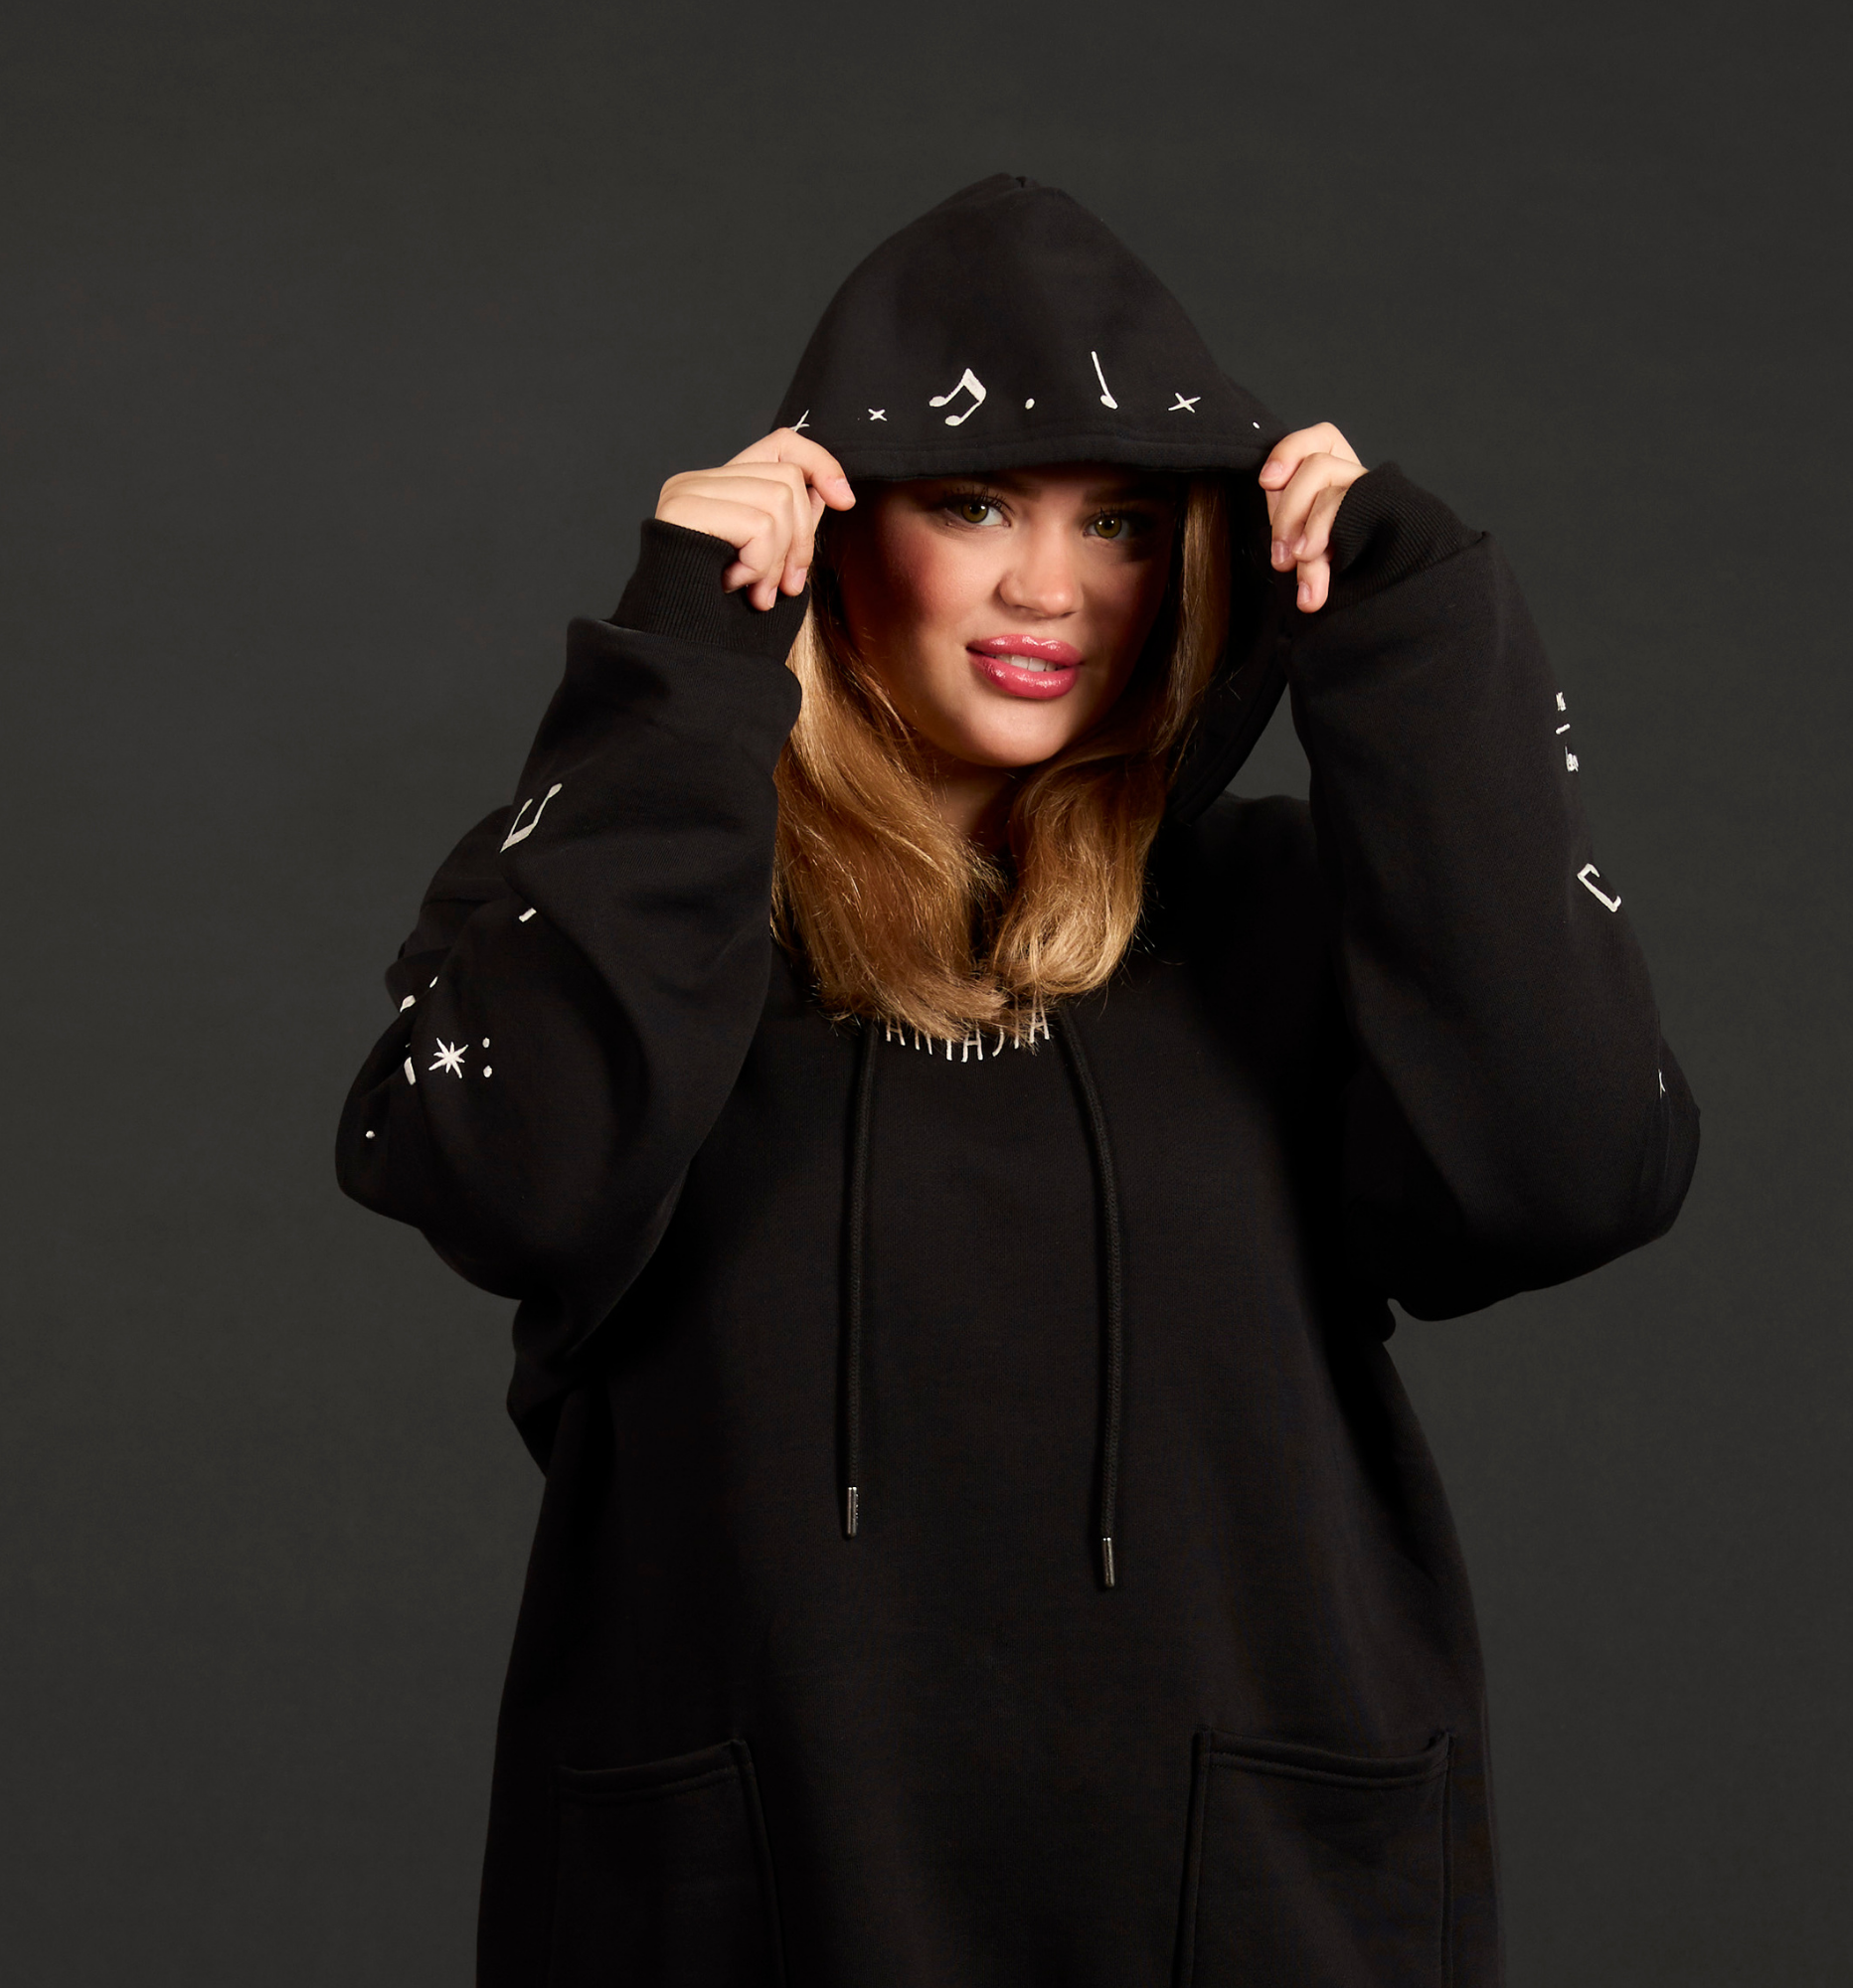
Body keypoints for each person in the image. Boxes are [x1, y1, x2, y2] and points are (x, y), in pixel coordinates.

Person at [337, 174, 1698, 1988]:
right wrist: (678, 673)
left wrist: (1421, 647)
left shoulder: (1284, 914)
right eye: (972, 503)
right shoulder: (644, 903)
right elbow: (499, 1173)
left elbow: (1578, 1169)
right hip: (749, 1909)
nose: (1049, 589)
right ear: (837, 527)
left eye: (1120, 523)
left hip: (1251, 1910)